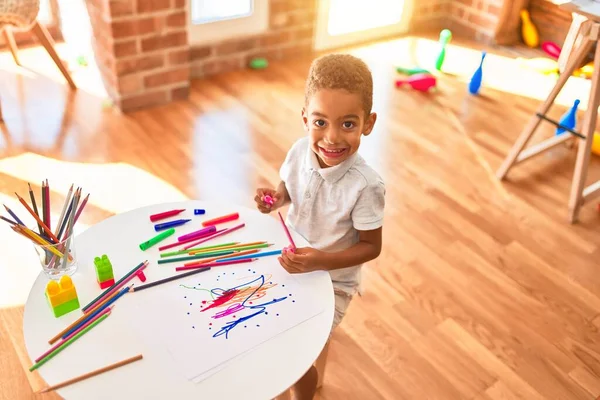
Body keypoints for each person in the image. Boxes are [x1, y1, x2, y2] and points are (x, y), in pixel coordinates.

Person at [254, 53, 385, 400]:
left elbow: (372, 247)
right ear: (305, 119)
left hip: (333, 281)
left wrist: (320, 260)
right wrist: (275, 198)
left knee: (293, 354)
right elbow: (287, 192)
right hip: (292, 260)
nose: (331, 139)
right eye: (320, 122)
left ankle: (304, 390)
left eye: (347, 124)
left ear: (368, 124)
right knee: (256, 327)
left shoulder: (366, 185)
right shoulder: (299, 151)